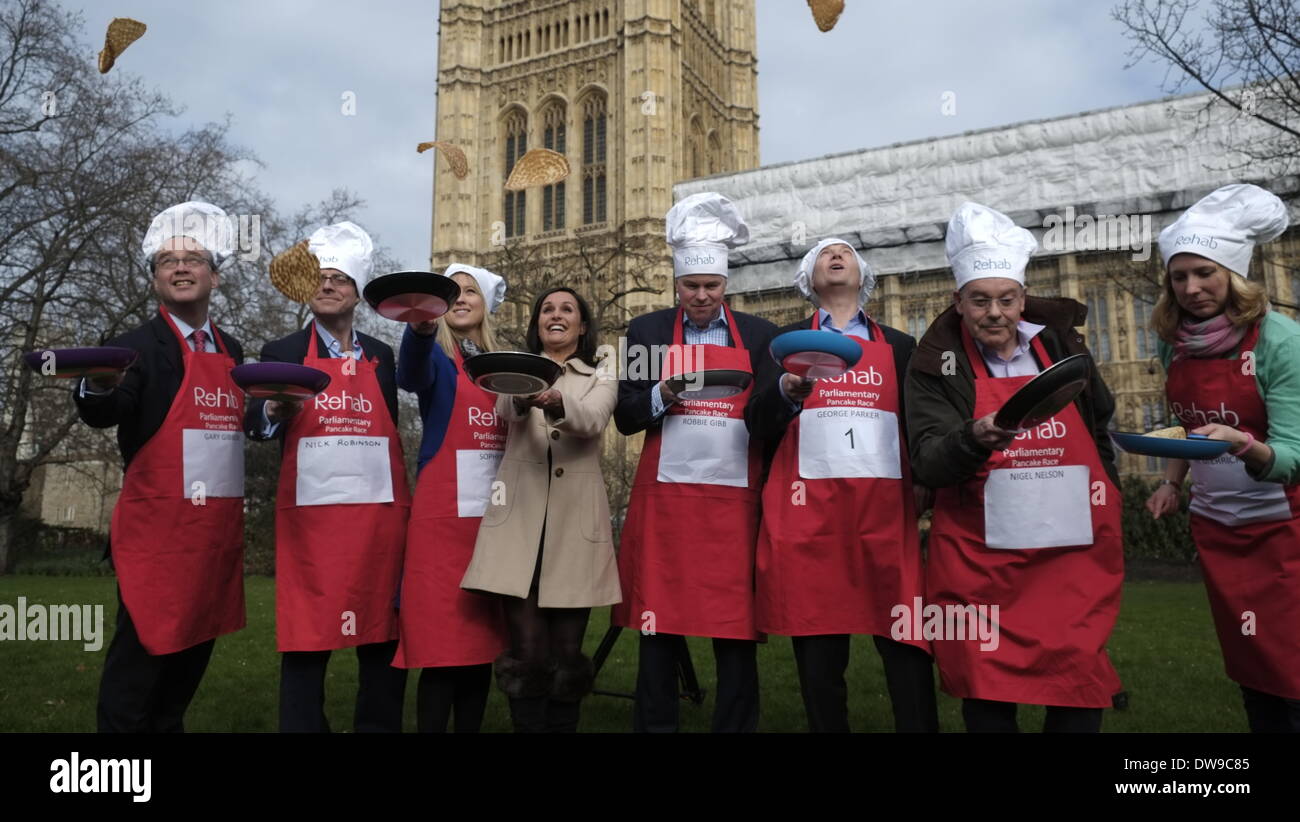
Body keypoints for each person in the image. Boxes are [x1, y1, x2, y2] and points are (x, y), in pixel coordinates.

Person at [905, 202, 1123, 733]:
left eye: (1006, 300)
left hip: (1069, 556)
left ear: (1023, 300)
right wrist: (972, 437)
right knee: (986, 690)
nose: (995, 313)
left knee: (1077, 685)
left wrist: (1110, 492)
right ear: (958, 303)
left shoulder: (1061, 347)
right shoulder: (934, 366)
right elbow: (929, 461)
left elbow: (1099, 425)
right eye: (980, 301)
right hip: (981, 561)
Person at [745, 238, 937, 733]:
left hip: (883, 514)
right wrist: (786, 391)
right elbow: (757, 424)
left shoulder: (899, 345)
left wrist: (925, 488)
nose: (836, 257)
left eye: (846, 253)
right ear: (810, 279)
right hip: (809, 516)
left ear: (861, 273)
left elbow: (917, 423)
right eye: (824, 254)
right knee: (819, 647)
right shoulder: (781, 343)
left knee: (906, 643)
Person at [74, 201, 246, 733]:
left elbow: (245, 428)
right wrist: (98, 383)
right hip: (156, 540)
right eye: (167, 261)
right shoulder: (131, 348)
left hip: (213, 538)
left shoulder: (235, 351)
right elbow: (105, 412)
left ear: (214, 276)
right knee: (134, 684)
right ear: (155, 282)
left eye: (192, 258)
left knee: (181, 683)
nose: (179, 267)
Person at [613, 191, 776, 733]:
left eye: (710, 286)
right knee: (658, 630)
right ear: (676, 284)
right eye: (691, 286)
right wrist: (663, 392)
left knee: (736, 630)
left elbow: (771, 419)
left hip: (735, 504)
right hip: (668, 503)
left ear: (726, 284)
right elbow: (627, 416)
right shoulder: (648, 333)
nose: (701, 296)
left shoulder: (760, 337)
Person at [1144, 183, 1300, 732]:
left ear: (1232, 275)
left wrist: (1245, 444)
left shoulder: (1279, 340)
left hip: (1285, 534)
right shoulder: (1175, 342)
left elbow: (1295, 455)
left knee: (1295, 672)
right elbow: (1191, 428)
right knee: (1252, 671)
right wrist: (1172, 482)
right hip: (1218, 532)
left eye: (1204, 273)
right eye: (1179, 276)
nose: (1191, 288)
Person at [243, 221, 408, 733]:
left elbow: (390, 433)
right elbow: (255, 425)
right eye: (319, 276)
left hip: (378, 521)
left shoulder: (382, 357)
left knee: (382, 640)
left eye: (339, 278)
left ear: (357, 292)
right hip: (312, 524)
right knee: (307, 642)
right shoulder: (282, 352)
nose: (328, 284)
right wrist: (272, 409)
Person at [461, 287, 620, 732]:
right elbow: (506, 409)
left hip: (575, 529)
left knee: (567, 657)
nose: (556, 315)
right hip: (521, 528)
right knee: (527, 653)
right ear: (537, 324)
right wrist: (526, 392)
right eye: (547, 309)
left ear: (581, 326)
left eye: (567, 309)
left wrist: (556, 401)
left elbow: (591, 421)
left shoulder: (602, 372)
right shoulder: (518, 369)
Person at [391, 264, 510, 733]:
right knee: (442, 648)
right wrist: (419, 330)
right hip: (442, 521)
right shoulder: (437, 357)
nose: (460, 299)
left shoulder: (504, 363)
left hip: (493, 519)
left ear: (485, 305)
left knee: (480, 648)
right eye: (451, 293)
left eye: (470, 292)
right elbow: (410, 373)